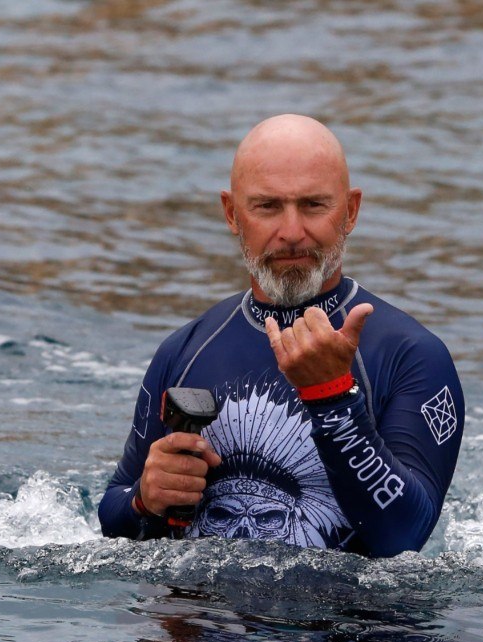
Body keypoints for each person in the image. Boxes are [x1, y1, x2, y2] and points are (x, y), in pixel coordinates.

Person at [97, 114, 464, 558]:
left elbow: (404, 538)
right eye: (268, 207)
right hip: (208, 618)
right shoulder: (185, 351)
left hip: (344, 624)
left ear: (350, 211)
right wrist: (144, 498)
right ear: (232, 214)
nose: (291, 233)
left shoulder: (412, 356)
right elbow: (113, 520)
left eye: (313, 205)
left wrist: (332, 397)